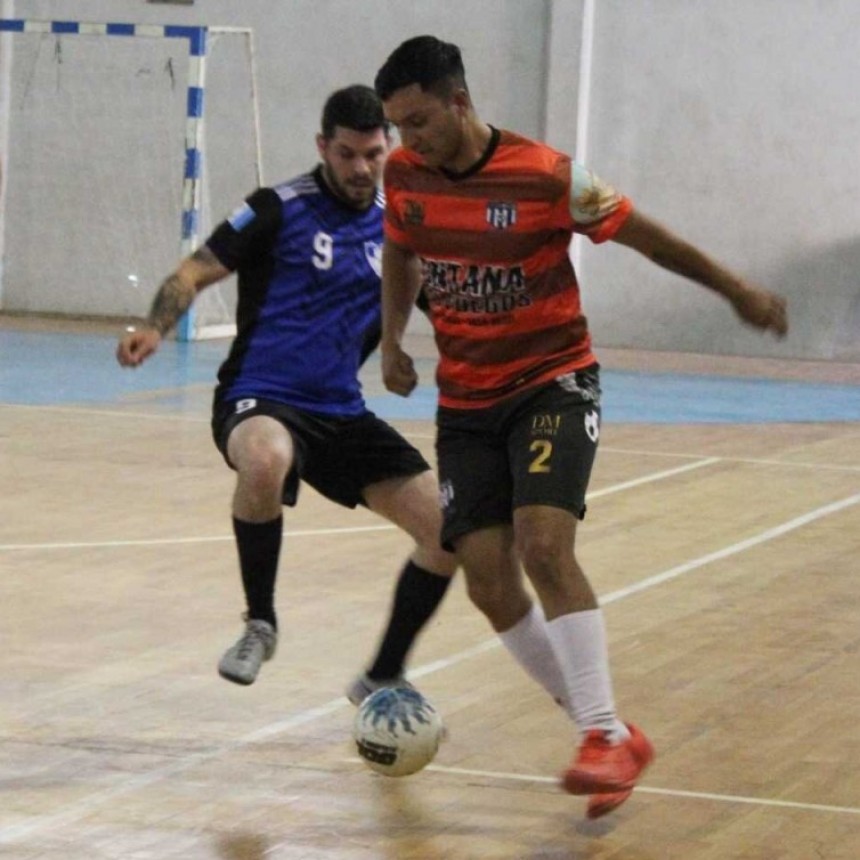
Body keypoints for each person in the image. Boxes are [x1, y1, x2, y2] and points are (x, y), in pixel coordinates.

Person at [373, 36, 788, 819]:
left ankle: (599, 733)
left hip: (551, 384)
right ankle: (611, 735)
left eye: (419, 121)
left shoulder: (546, 176)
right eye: (399, 126)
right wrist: (394, 339)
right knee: (488, 582)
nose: (408, 139)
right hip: (465, 404)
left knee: (543, 545)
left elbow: (650, 238)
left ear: (459, 101)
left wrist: (735, 290)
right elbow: (401, 253)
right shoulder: (404, 176)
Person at [116, 84, 457, 703]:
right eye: (347, 154)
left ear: (389, 148)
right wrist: (155, 326)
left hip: (341, 413)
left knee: (446, 531)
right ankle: (260, 623)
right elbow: (194, 270)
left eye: (373, 154)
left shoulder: (400, 225)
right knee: (265, 458)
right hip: (259, 395)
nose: (361, 168)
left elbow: (447, 308)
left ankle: (381, 675)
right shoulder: (276, 208)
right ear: (323, 146)